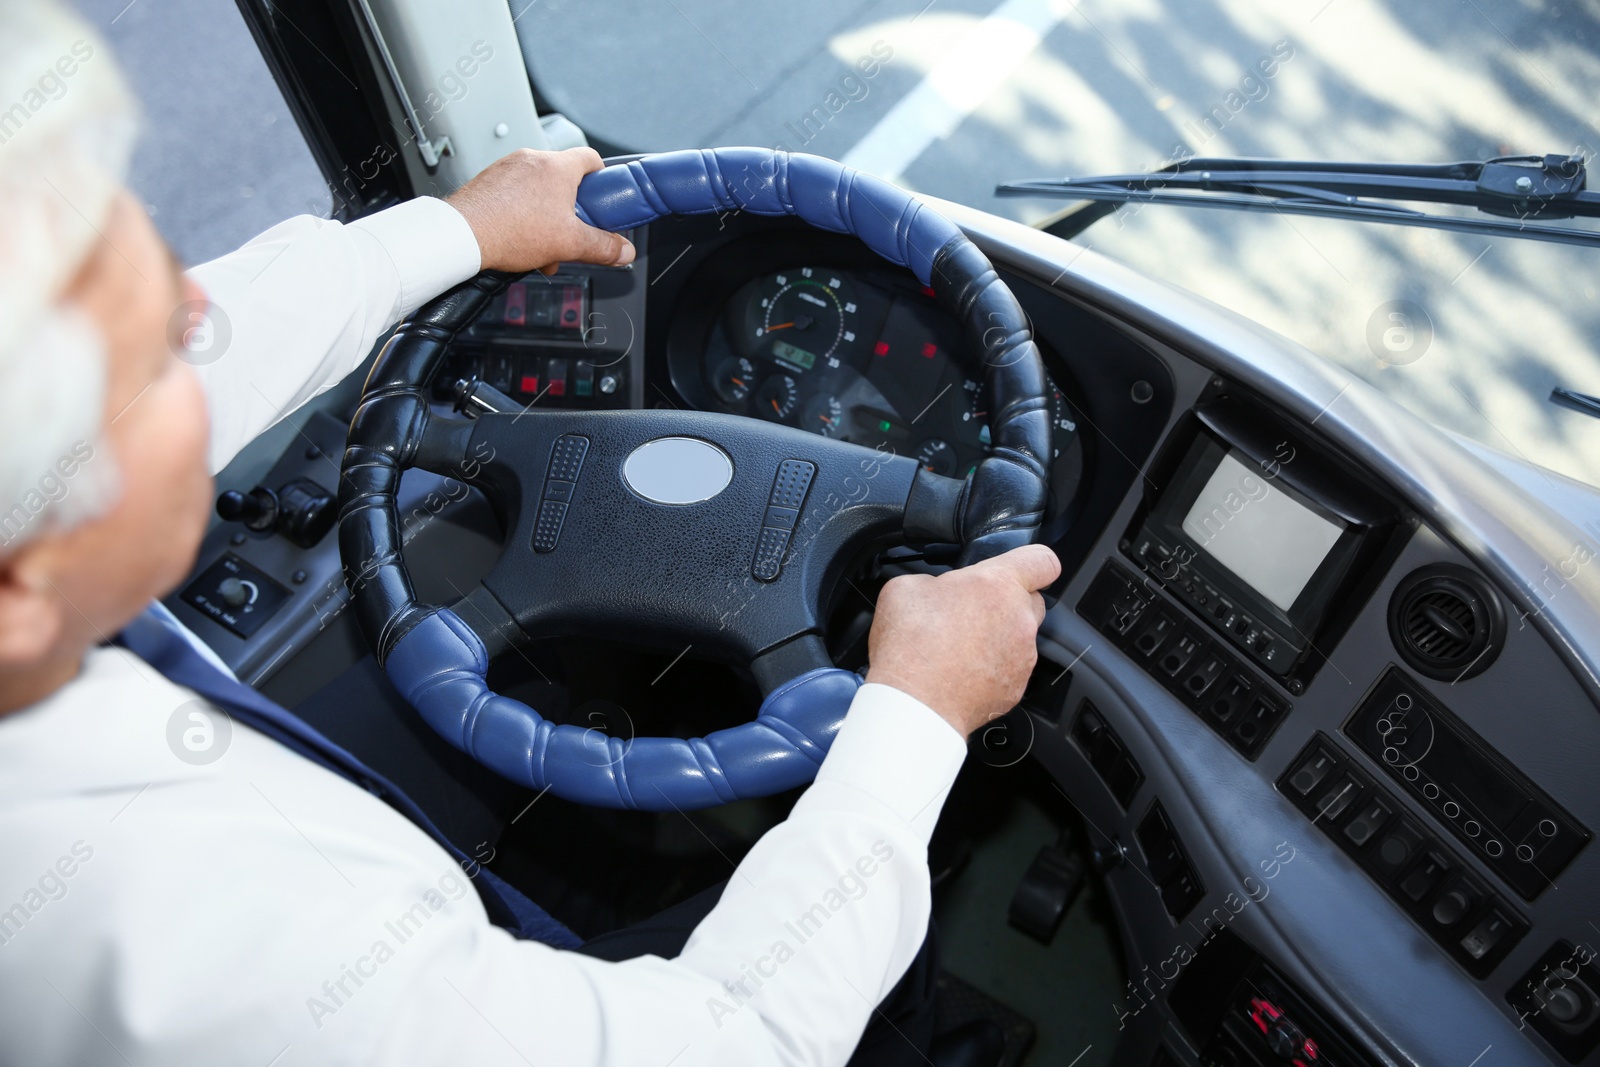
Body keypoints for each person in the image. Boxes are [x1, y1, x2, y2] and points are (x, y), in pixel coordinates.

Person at [0, 4, 1060, 1064]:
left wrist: (455, 229)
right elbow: (736, 1040)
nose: (199, 318)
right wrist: (915, 718)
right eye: (149, 349)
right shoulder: (174, 928)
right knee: (874, 984)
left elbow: (193, 352)